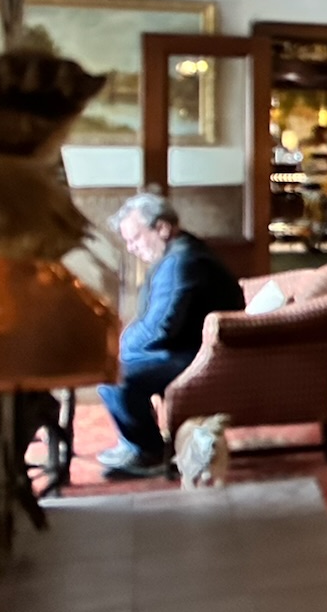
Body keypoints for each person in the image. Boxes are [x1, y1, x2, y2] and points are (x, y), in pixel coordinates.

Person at [96, 191, 244, 479]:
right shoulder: (180, 253)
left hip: (199, 356)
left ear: (162, 228)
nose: (132, 248)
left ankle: (147, 451)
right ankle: (136, 444)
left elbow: (161, 329)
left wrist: (119, 348)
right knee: (117, 365)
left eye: (135, 238)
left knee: (113, 373)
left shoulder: (182, 261)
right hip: (190, 347)